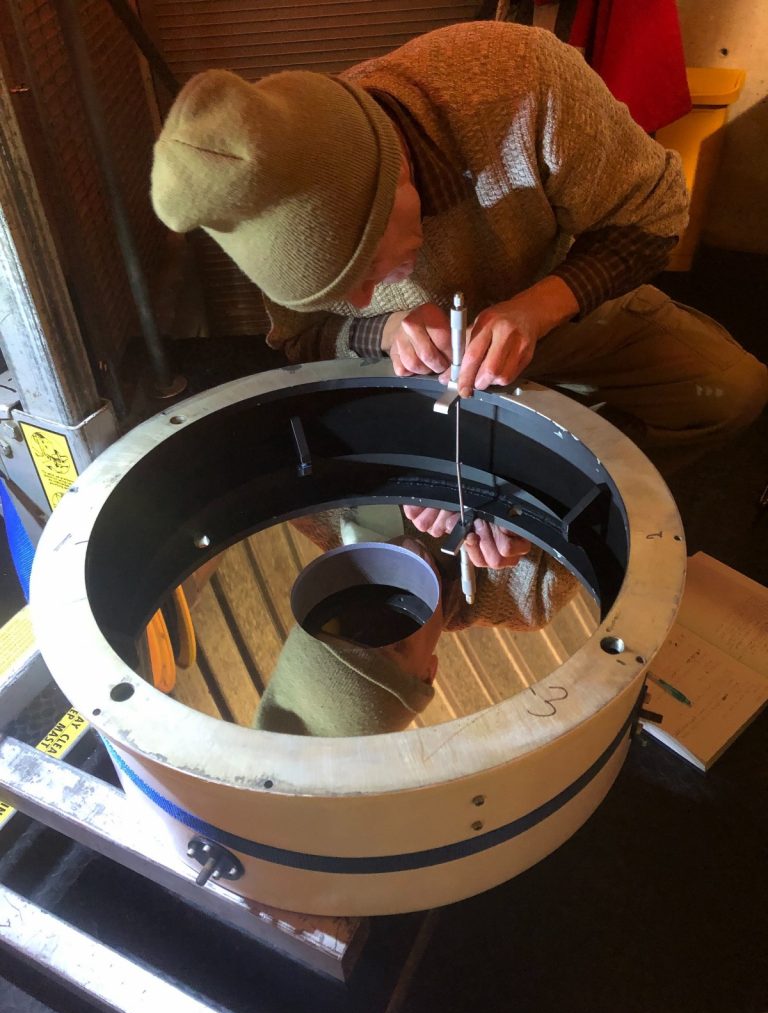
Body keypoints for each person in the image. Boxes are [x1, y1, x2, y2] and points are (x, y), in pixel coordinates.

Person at [151, 20, 767, 625]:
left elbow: (657, 216)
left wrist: (538, 309)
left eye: (367, 268)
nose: (366, 295)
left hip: (554, 305)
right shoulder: (278, 178)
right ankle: (498, 507)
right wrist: (384, 330)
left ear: (398, 179)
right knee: (370, 522)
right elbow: (301, 340)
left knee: (731, 391)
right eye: (343, 293)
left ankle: (562, 478)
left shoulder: (525, 81)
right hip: (414, 372)